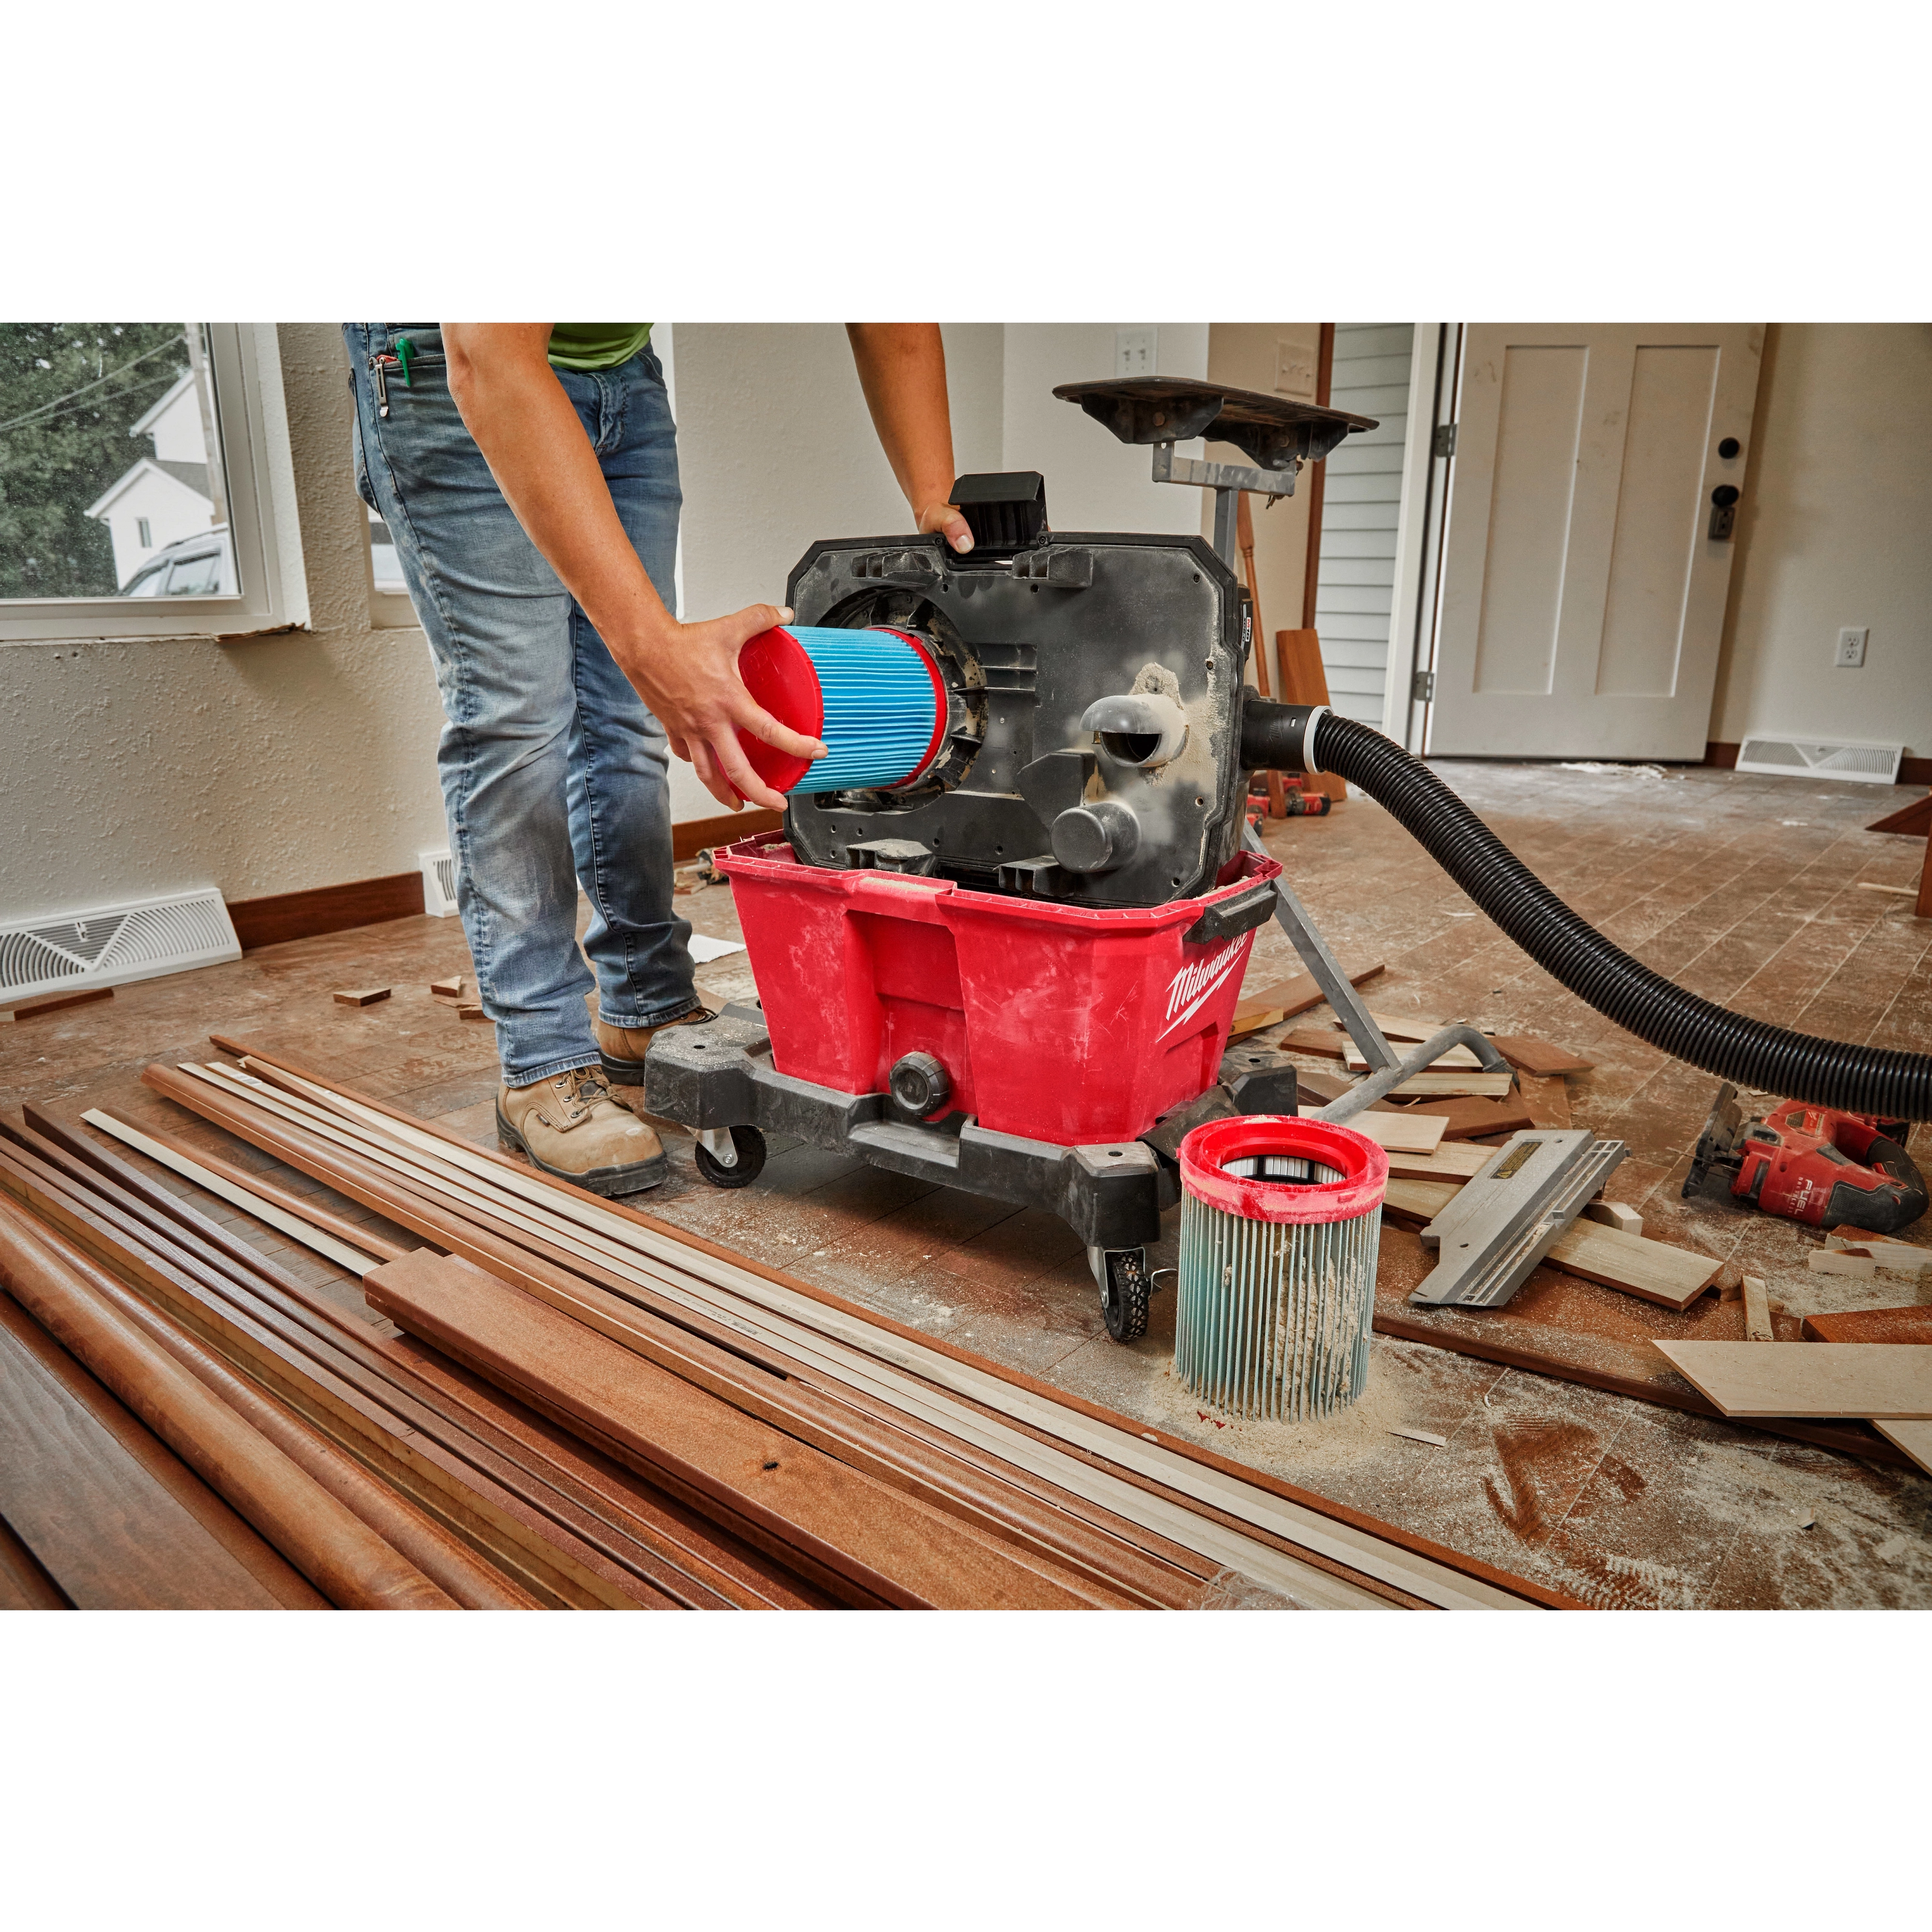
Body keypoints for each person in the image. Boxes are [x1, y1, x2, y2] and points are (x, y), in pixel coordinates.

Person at [343, 320, 971, 1195]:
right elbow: (490, 358)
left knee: (624, 720)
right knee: (517, 719)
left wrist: (936, 505)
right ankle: (543, 1061)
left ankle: (645, 1003)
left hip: (619, 379)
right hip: (460, 368)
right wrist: (657, 652)